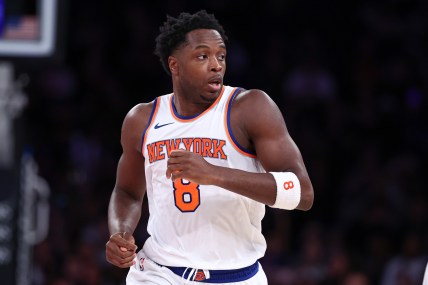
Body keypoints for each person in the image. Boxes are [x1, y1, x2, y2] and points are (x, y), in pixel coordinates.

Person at [106, 10, 314, 284]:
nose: (216, 65)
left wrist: (213, 174)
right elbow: (127, 192)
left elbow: (302, 194)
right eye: (202, 56)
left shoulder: (250, 108)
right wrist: (120, 231)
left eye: (221, 55)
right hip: (158, 273)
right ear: (174, 65)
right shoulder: (142, 119)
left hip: (237, 275)